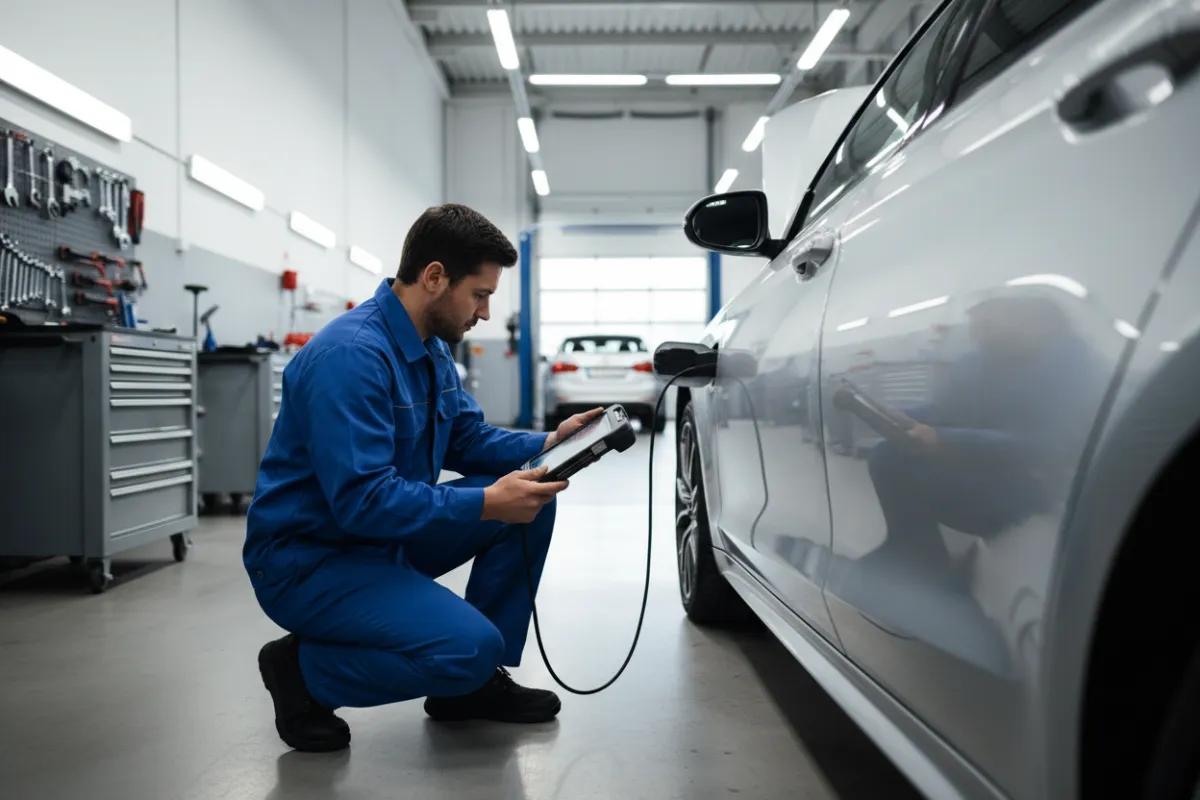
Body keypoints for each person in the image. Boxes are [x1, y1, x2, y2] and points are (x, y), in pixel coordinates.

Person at [243, 204, 602, 752]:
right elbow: (363, 501)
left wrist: (550, 444)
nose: (484, 312)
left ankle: (471, 691)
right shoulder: (350, 357)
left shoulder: (429, 347)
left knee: (533, 497)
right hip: (311, 561)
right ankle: (304, 671)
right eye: (479, 294)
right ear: (435, 278)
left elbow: (466, 438)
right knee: (467, 646)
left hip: (380, 539)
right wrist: (484, 503)